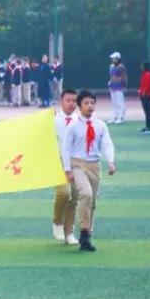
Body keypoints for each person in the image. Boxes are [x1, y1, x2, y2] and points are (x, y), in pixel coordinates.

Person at [61, 91, 117, 252]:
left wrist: (111, 161)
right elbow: (66, 148)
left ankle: (86, 234)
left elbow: (106, 144)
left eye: (92, 103)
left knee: (92, 203)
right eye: (86, 103)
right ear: (80, 106)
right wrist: (67, 168)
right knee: (86, 194)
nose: (90, 106)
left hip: (94, 165)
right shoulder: (73, 126)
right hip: (77, 164)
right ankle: (84, 230)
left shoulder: (100, 125)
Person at [52, 89, 79, 246]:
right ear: (61, 101)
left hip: (76, 162)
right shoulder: (53, 120)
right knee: (64, 192)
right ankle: (57, 222)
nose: (71, 104)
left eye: (74, 101)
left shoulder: (79, 119)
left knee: (74, 196)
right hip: (59, 162)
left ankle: (69, 232)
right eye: (68, 100)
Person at [107, 52, 128, 124]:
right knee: (114, 103)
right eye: (112, 58)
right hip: (112, 86)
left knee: (120, 103)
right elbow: (111, 76)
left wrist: (124, 85)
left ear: (118, 59)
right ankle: (115, 117)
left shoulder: (121, 67)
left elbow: (124, 76)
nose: (113, 59)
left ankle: (121, 117)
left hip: (119, 87)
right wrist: (110, 83)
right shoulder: (111, 66)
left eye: (114, 58)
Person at [138, 62, 150, 135]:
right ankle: (147, 126)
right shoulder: (145, 74)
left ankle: (149, 128)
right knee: (146, 112)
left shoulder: (148, 74)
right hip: (144, 95)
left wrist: (143, 93)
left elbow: (147, 85)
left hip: (146, 95)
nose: (141, 67)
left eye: (142, 66)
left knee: (148, 112)